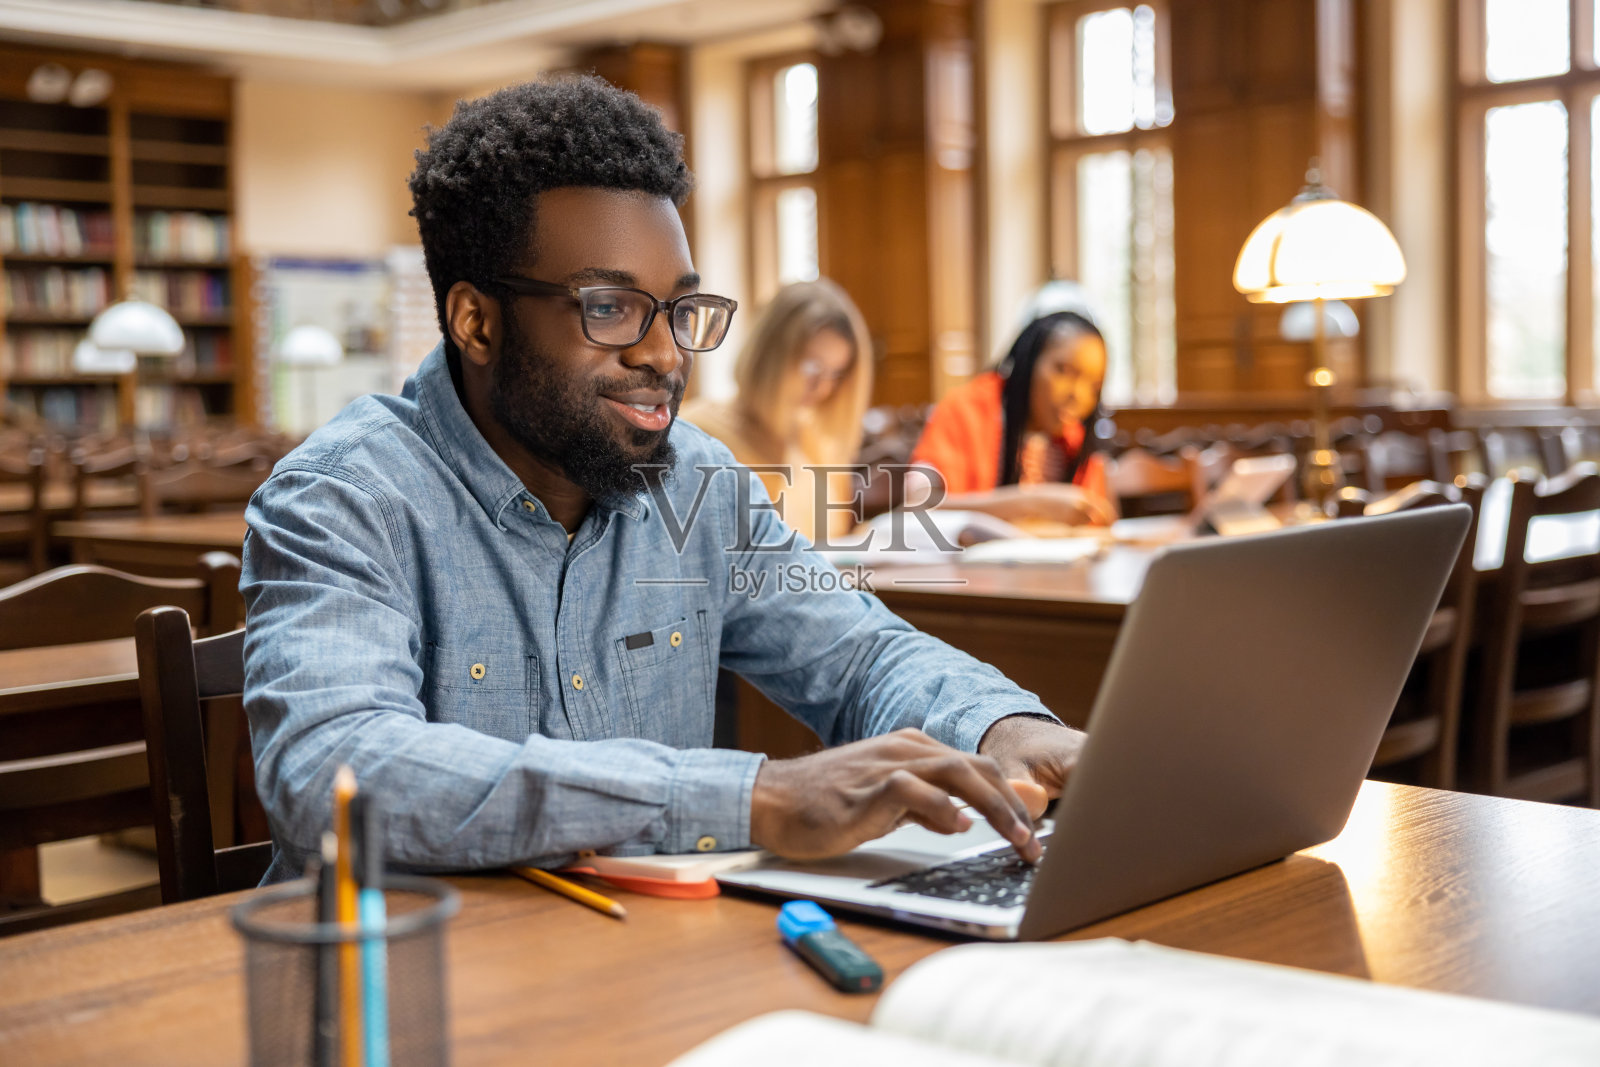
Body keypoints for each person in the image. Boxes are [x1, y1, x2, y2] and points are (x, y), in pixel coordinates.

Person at [241, 76, 1083, 883]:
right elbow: (333, 770)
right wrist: (751, 797)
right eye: (609, 308)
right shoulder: (342, 497)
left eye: (680, 308)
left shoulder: (698, 484)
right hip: (401, 986)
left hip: (646, 963)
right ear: (477, 321)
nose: (666, 353)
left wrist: (1002, 725)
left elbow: (858, 654)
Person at [910, 283, 1117, 528]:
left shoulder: (1074, 439)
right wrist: (1032, 503)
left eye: (1093, 386)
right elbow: (917, 502)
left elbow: (1103, 518)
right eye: (1063, 371)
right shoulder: (966, 409)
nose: (1078, 395)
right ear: (1028, 361)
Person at [682, 279, 871, 544]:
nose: (823, 388)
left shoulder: (816, 439)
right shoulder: (699, 434)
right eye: (811, 368)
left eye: (836, 374)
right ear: (769, 357)